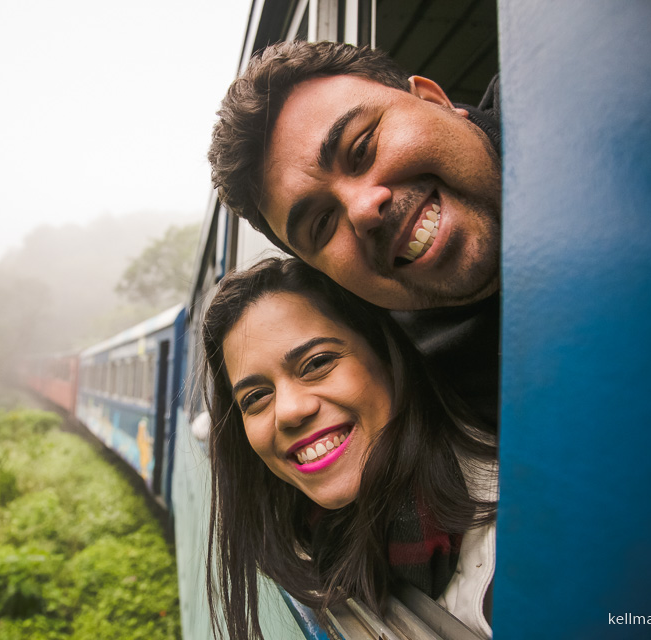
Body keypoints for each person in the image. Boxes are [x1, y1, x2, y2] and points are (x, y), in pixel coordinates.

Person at [208, 40, 502, 426]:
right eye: (322, 224)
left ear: (434, 100)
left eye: (362, 148)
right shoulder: (409, 398)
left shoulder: (587, 93)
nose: (363, 210)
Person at [202, 258, 497, 640]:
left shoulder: (522, 538)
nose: (289, 412)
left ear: (387, 357)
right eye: (256, 396)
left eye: (317, 363)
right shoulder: (304, 522)